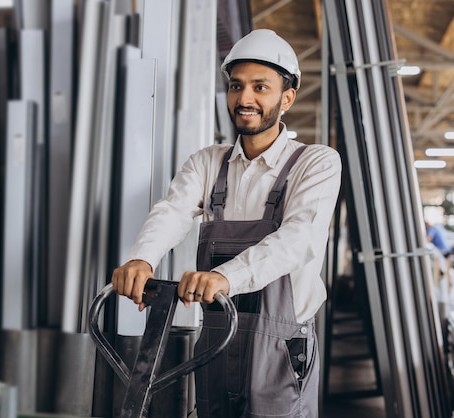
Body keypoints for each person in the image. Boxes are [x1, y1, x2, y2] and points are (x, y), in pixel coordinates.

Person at [111, 29, 341, 418]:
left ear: (287, 97)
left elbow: (297, 239)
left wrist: (225, 277)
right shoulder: (208, 162)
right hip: (217, 340)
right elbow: (172, 211)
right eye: (236, 86)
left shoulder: (316, 163)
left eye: (260, 87)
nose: (244, 98)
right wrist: (141, 260)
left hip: (282, 350)